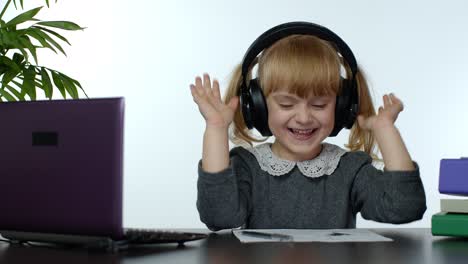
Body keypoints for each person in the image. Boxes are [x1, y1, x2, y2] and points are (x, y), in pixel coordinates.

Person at [190, 22, 426, 230]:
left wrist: (385, 130)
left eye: (320, 104)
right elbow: (218, 217)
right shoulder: (248, 167)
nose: (303, 118)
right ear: (258, 106)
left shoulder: (348, 169)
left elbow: (405, 208)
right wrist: (216, 129)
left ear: (343, 106)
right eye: (286, 103)